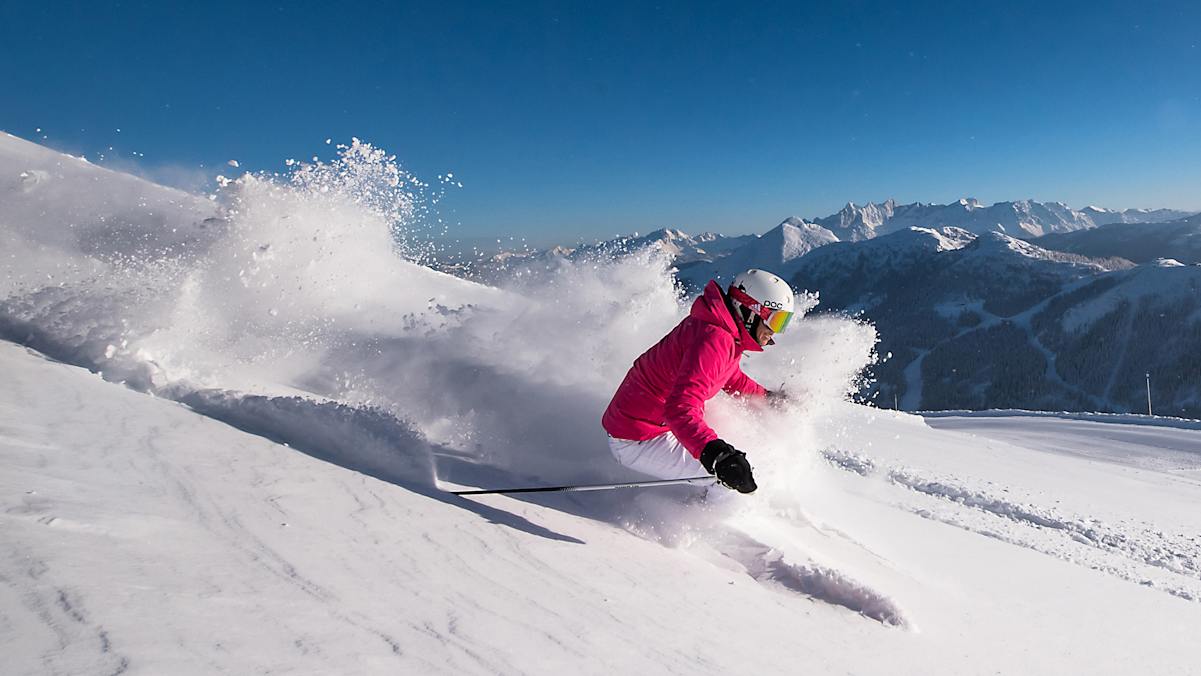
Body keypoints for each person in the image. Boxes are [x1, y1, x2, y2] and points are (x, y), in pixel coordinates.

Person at [601, 269, 796, 494]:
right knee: (731, 480)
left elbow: (728, 376)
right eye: (775, 320)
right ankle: (705, 524)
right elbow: (679, 409)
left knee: (743, 448)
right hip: (638, 439)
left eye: (783, 323)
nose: (775, 333)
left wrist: (767, 398)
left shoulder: (723, 332)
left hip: (654, 423)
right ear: (750, 310)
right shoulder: (715, 340)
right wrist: (716, 456)